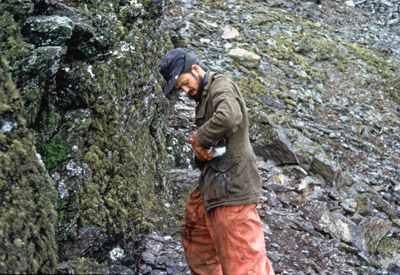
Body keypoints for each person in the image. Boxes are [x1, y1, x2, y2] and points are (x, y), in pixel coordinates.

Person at [159, 48, 275, 275]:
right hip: (212, 185)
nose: (184, 90)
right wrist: (200, 155)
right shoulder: (204, 96)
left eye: (184, 83)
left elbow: (230, 116)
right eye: (179, 89)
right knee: (195, 234)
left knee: (244, 262)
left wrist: (200, 137)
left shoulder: (219, 84)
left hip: (232, 188)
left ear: (195, 69)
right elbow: (213, 147)